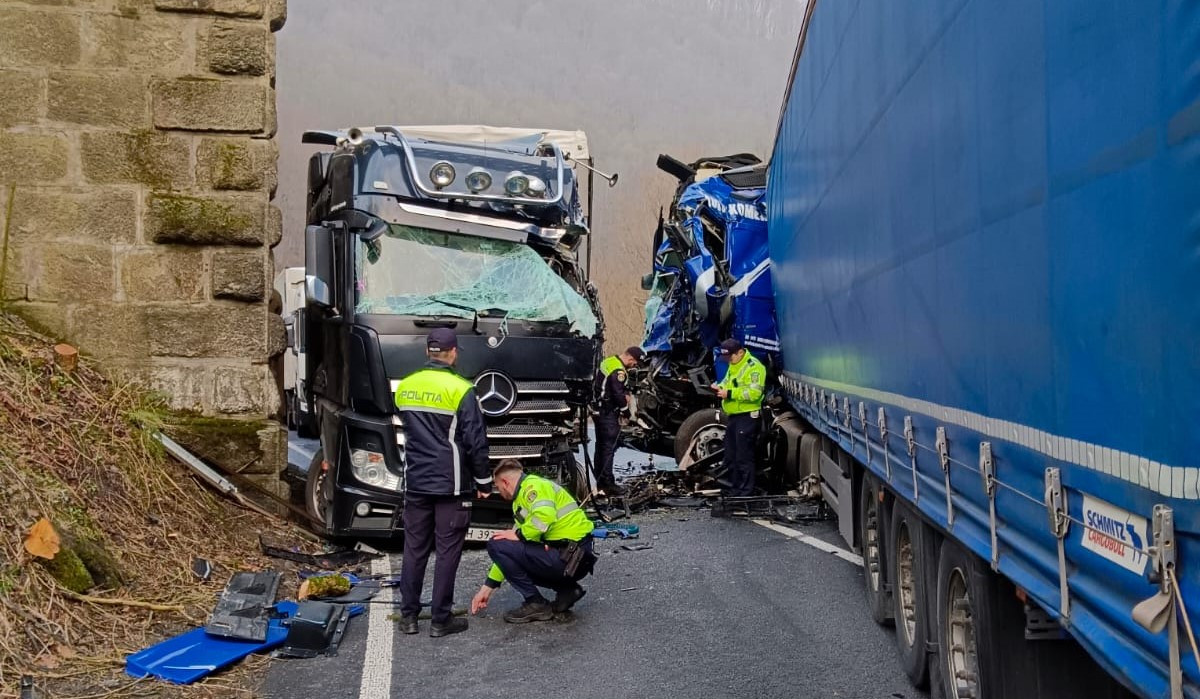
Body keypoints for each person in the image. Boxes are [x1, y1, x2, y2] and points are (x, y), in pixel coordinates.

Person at [394, 328, 492, 638]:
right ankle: (440, 619)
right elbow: (475, 440)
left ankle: (408, 616)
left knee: (414, 549)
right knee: (448, 550)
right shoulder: (462, 389)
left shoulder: (405, 387)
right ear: (452, 353)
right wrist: (484, 480)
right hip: (451, 483)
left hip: (416, 480)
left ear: (428, 352)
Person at [469, 459, 596, 623]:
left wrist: (520, 535)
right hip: (575, 558)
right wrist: (487, 587)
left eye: (498, 487)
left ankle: (535, 603)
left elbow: (544, 517)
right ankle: (567, 591)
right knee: (508, 550)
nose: (499, 492)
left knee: (495, 544)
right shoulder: (523, 499)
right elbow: (510, 554)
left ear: (505, 482)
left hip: (570, 556)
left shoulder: (533, 487)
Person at [711, 339, 765, 497]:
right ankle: (733, 489)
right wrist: (719, 388)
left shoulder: (754, 368)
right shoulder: (734, 365)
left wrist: (730, 394)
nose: (729, 361)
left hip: (748, 416)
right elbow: (727, 383)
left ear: (740, 352)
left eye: (730, 357)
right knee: (731, 455)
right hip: (735, 416)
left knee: (743, 456)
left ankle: (745, 493)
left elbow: (755, 393)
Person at [592, 346, 645, 495]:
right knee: (609, 448)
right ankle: (609, 484)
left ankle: (600, 480)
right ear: (630, 358)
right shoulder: (619, 371)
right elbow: (617, 393)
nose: (634, 366)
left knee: (601, 446)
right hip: (608, 412)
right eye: (634, 363)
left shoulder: (609, 362)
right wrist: (626, 412)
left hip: (599, 410)